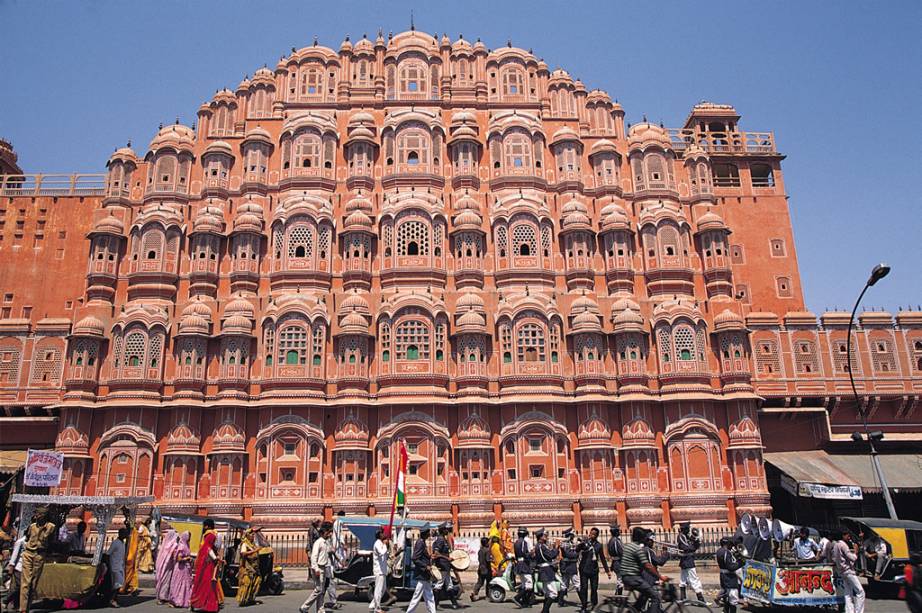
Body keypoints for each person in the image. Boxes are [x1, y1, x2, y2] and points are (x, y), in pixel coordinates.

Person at [19, 507, 56, 613]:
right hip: (29, 553)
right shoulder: (32, 526)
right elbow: (27, 538)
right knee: (26, 582)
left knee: (33, 583)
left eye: (38, 514)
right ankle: (23, 609)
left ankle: (27, 606)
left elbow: (52, 541)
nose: (36, 516)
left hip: (40, 555)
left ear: (43, 515)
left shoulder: (50, 527)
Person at [619, 528, 665, 613]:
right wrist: (661, 577)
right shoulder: (638, 549)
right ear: (641, 538)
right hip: (633, 578)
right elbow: (648, 566)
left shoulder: (628, 546)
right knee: (655, 597)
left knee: (644, 595)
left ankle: (634, 609)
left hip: (625, 577)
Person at [301, 521, 334, 613]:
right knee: (318, 589)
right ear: (325, 532)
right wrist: (315, 568)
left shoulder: (325, 542)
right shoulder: (318, 542)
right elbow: (314, 557)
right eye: (329, 532)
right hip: (318, 568)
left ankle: (320, 609)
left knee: (321, 590)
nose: (330, 534)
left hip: (323, 567)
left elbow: (327, 553)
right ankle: (305, 606)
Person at [191, 518, 223, 613]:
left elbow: (207, 548)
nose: (203, 527)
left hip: (207, 561)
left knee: (204, 581)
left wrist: (214, 558)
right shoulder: (214, 534)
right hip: (209, 561)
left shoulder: (209, 535)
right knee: (209, 583)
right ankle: (209, 604)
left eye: (204, 525)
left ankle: (198, 602)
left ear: (207, 526)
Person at [577, 527, 610, 613]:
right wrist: (581, 543)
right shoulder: (585, 543)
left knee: (594, 588)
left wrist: (607, 571)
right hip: (584, 569)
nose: (591, 535)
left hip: (594, 569)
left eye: (593, 534)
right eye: (590, 533)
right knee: (584, 588)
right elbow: (577, 550)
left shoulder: (598, 545)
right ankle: (584, 606)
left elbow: (602, 558)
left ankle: (594, 605)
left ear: (596, 535)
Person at [830, 530, 864, 613]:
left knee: (847, 593)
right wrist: (855, 552)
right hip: (848, 571)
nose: (849, 538)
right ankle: (858, 611)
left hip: (841, 571)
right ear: (843, 535)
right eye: (848, 536)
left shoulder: (836, 545)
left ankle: (849, 611)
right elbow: (852, 558)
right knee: (860, 592)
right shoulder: (843, 545)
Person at [406, 527, 436, 613]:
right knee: (417, 595)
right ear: (425, 533)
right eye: (428, 532)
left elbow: (422, 556)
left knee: (429, 595)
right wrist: (425, 566)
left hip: (424, 574)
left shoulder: (422, 542)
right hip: (422, 574)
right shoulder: (420, 543)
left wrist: (429, 557)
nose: (429, 534)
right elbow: (415, 558)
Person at [676, 523, 706, 603]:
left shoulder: (686, 536)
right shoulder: (681, 536)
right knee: (694, 579)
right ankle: (701, 599)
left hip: (687, 560)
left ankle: (683, 598)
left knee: (683, 579)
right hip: (687, 560)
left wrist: (697, 542)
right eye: (687, 529)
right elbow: (686, 547)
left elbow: (693, 546)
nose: (689, 530)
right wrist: (694, 545)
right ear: (684, 529)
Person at [433, 523, 459, 609]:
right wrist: (447, 558)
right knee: (439, 584)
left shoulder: (443, 539)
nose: (447, 531)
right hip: (443, 565)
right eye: (445, 529)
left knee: (449, 584)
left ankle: (454, 603)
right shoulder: (440, 540)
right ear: (442, 530)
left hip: (446, 566)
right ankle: (435, 604)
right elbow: (436, 553)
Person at [534, 529, 560, 613]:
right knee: (553, 593)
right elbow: (551, 556)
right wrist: (556, 547)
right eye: (544, 535)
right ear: (540, 537)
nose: (546, 537)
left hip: (545, 570)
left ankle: (545, 611)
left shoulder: (541, 546)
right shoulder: (541, 546)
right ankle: (545, 611)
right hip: (546, 571)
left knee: (548, 593)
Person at [237, 527, 263, 606]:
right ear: (247, 535)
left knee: (257, 581)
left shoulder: (253, 544)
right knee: (247, 583)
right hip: (247, 567)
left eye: (253, 534)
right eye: (251, 534)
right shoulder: (244, 544)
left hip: (254, 567)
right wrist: (255, 551)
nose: (253, 536)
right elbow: (243, 553)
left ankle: (251, 598)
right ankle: (243, 599)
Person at [715, 536, 742, 613]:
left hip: (723, 575)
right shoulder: (726, 552)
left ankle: (725, 611)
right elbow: (730, 567)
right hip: (729, 577)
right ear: (727, 544)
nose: (731, 545)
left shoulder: (719, 551)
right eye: (730, 544)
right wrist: (740, 563)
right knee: (733, 598)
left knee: (727, 596)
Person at [169, 531, 194, 608]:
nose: (189, 538)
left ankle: (183, 600)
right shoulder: (181, 546)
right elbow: (179, 559)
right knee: (179, 584)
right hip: (180, 568)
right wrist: (187, 558)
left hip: (186, 568)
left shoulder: (186, 545)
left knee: (185, 584)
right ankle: (176, 600)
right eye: (188, 536)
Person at [154, 529, 178, 604]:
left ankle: (163, 596)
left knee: (163, 580)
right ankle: (163, 597)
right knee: (166, 581)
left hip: (162, 566)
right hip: (168, 566)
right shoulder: (173, 545)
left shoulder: (164, 544)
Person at [369, 528, 390, 613]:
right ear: (379, 535)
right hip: (379, 570)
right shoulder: (377, 543)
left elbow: (385, 555)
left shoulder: (381, 543)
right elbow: (382, 552)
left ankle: (374, 603)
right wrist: (385, 545)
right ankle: (377, 608)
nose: (384, 534)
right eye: (382, 533)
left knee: (383, 588)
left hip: (383, 569)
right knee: (378, 589)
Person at [558, 529, 580, 607]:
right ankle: (583, 601)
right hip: (568, 566)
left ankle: (560, 601)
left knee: (565, 584)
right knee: (576, 583)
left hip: (568, 566)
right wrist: (577, 552)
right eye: (572, 535)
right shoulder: (565, 544)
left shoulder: (570, 543)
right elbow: (570, 554)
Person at [107, 527, 128, 608]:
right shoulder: (115, 543)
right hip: (115, 567)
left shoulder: (122, 543)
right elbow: (108, 554)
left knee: (119, 584)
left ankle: (114, 599)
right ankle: (112, 600)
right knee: (117, 584)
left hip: (120, 566)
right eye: (124, 533)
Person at [513, 527, 534, 608]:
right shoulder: (524, 542)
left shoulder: (516, 542)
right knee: (529, 585)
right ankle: (517, 598)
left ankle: (525, 602)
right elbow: (525, 554)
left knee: (524, 584)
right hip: (524, 564)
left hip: (519, 564)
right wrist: (531, 553)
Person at [4, 531, 25, 611]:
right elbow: (15, 555)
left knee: (22, 588)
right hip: (18, 567)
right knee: (18, 586)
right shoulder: (20, 542)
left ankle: (17, 605)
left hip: (27, 568)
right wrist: (11, 567)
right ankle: (5, 600)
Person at [606, 523, 624, 596]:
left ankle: (618, 594)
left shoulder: (611, 540)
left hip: (615, 562)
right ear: (616, 532)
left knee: (619, 579)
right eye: (618, 531)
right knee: (620, 580)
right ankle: (619, 596)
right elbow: (620, 551)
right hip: (619, 562)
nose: (619, 532)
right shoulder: (616, 541)